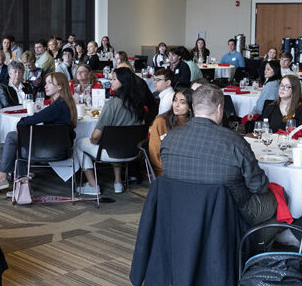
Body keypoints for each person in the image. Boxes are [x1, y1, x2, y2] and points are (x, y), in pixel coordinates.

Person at [161, 84, 274, 226]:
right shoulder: (234, 142)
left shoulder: (169, 138)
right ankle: (249, 245)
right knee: (276, 203)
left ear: (193, 106)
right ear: (219, 108)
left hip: (180, 208)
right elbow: (258, 186)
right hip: (227, 212)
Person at [0, 72, 77, 194]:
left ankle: (5, 178)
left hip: (51, 149)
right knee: (20, 139)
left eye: (50, 82)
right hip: (59, 146)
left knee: (13, 137)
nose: (45, 86)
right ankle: (22, 186)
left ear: (59, 87)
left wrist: (20, 123)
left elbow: (31, 120)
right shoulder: (65, 104)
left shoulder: (57, 106)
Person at [76, 68, 148, 195]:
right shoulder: (139, 104)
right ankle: (118, 182)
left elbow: (95, 137)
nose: (111, 81)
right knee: (117, 140)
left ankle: (93, 185)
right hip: (133, 151)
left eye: (114, 79)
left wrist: (93, 141)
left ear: (123, 82)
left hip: (111, 152)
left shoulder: (112, 104)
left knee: (79, 143)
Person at [149, 87, 193, 177]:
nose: (176, 105)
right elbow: (155, 155)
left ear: (190, 106)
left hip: (187, 168)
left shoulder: (193, 122)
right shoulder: (161, 121)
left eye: (182, 102)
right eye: (175, 100)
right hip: (165, 170)